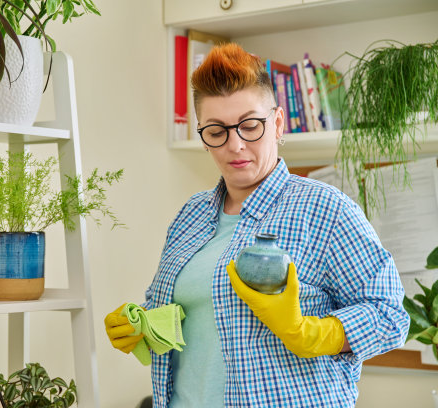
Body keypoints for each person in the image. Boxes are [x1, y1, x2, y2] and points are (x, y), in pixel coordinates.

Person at [104, 43, 409, 407]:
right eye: (216, 131)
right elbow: (173, 316)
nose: (235, 145)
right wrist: (140, 325)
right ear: (203, 136)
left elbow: (390, 316)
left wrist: (312, 333)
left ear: (277, 123)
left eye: (250, 125)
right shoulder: (190, 217)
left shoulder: (326, 210)